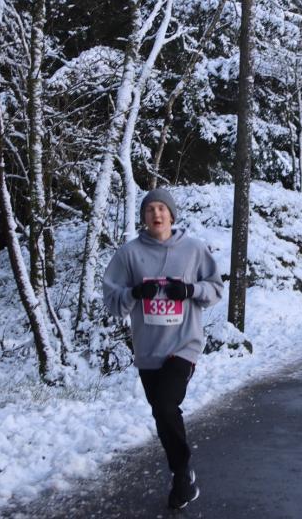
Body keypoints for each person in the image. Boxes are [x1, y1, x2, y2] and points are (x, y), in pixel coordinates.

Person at [102, 188, 223, 510]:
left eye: (162, 208)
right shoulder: (129, 254)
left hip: (184, 345)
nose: (156, 214)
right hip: (148, 349)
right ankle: (183, 474)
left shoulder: (194, 250)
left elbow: (215, 290)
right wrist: (135, 293)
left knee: (167, 406)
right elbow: (113, 302)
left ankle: (182, 474)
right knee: (161, 412)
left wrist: (189, 289)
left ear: (171, 214)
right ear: (143, 217)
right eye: (150, 209)